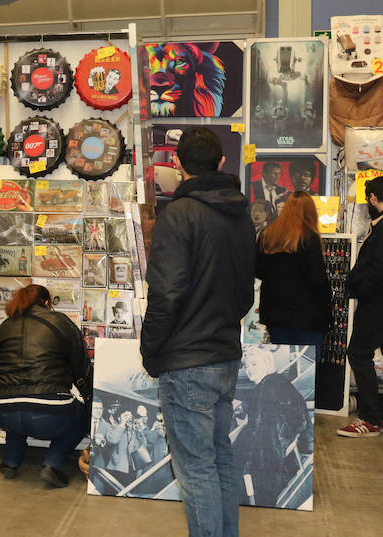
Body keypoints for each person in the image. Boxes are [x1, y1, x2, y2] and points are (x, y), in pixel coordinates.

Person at [141, 127, 255, 537]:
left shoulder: (178, 215)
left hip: (186, 360)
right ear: (222, 163)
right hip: (224, 352)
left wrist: (150, 352)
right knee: (219, 459)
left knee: (196, 470)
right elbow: (246, 292)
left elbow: (165, 295)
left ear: (176, 164)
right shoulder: (241, 215)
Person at [0, 284, 91, 488]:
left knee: (17, 402)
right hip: (48, 411)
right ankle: (53, 464)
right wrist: (91, 400)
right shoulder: (60, 321)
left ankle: (10, 462)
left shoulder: (4, 326)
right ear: (46, 303)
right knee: (80, 416)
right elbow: (82, 368)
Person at [255, 191, 331, 348]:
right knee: (306, 366)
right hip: (307, 313)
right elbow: (317, 278)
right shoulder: (309, 237)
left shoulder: (267, 234)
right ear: (311, 211)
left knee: (284, 365)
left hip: (274, 312)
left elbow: (258, 270)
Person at [338, 176, 383, 437]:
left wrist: (356, 289)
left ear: (374, 199)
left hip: (376, 303)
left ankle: (368, 419)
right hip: (375, 301)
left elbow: (377, 270)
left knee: (358, 353)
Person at [237, 347, 310, 506]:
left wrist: (281, 440)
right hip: (266, 457)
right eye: (247, 366)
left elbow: (298, 418)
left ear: (267, 364)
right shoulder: (268, 385)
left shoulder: (272, 386)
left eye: (254, 364)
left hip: (267, 461)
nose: (249, 369)